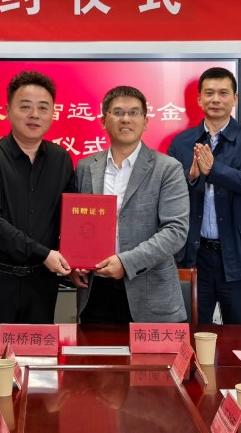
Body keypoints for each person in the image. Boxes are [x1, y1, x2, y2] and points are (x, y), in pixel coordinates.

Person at [70, 86, 189, 324]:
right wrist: (76, 262)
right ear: (104, 121)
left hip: (151, 293)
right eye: (118, 112)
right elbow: (77, 224)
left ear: (145, 122)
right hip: (96, 292)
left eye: (134, 112)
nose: (126, 119)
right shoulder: (85, 167)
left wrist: (126, 262)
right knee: (96, 349)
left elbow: (175, 231)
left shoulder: (168, 168)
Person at [168, 67, 241, 324]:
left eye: (223, 93)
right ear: (199, 99)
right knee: (191, 332)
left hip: (239, 254)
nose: (215, 99)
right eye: (209, 93)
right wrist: (191, 176)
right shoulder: (181, 143)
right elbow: (166, 194)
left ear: (235, 99)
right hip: (194, 255)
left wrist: (215, 171)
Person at [0, 71, 75, 324]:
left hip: (41, 284)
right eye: (25, 106)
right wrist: (43, 253)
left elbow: (69, 218)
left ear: (53, 113)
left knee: (37, 349)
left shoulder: (61, 159)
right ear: (7, 111)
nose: (34, 114)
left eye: (43, 107)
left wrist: (80, 258)